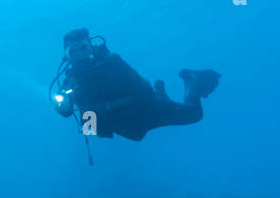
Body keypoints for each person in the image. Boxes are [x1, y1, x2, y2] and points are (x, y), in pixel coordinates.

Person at [50, 28, 220, 144]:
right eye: (73, 52)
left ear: (91, 48)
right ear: (67, 57)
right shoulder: (71, 80)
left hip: (147, 112)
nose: (80, 55)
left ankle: (192, 81)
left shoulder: (112, 62)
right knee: (137, 136)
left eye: (83, 48)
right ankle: (160, 89)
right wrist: (63, 106)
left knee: (195, 114)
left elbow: (142, 91)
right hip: (126, 127)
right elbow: (66, 110)